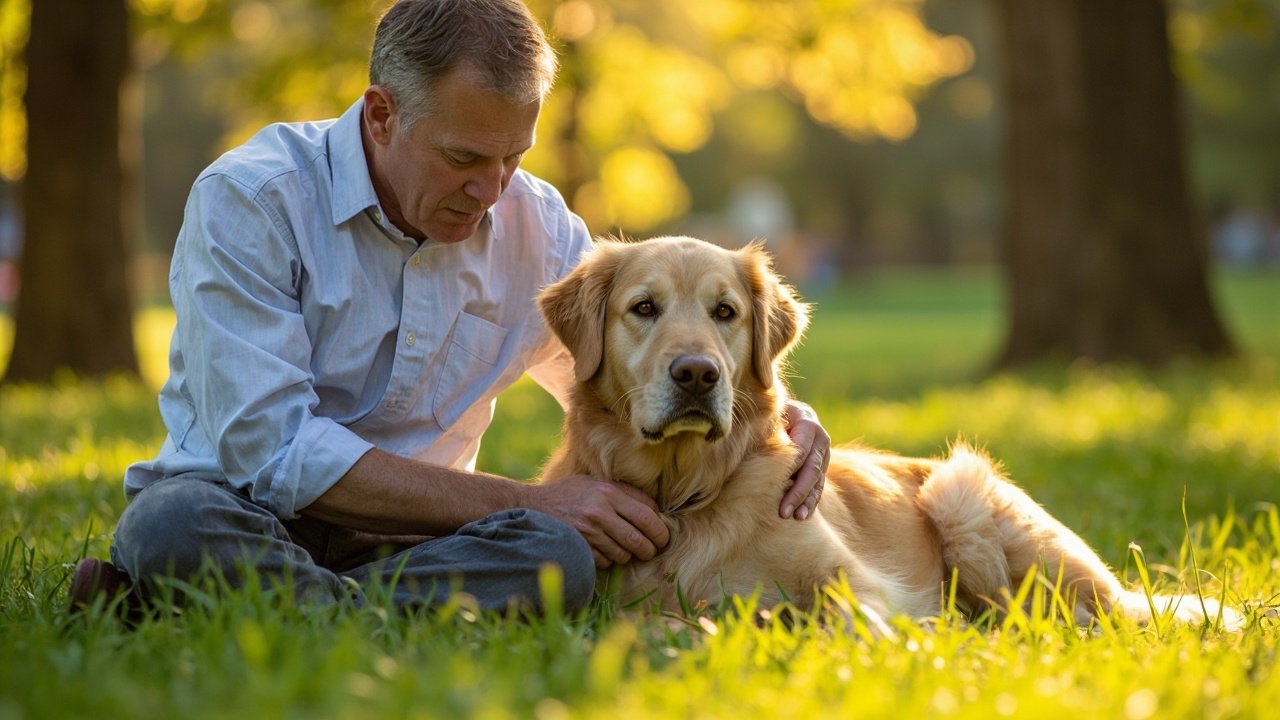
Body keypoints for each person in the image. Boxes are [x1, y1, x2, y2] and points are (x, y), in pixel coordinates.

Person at [69, 0, 830, 617]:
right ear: (381, 115)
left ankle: (222, 605)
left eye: (513, 158)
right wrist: (531, 500)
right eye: (464, 158)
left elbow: (630, 369)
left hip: (420, 542)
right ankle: (318, 601)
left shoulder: (539, 226)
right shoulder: (251, 201)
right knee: (173, 525)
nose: (491, 190)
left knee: (557, 557)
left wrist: (780, 414)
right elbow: (273, 452)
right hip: (245, 515)